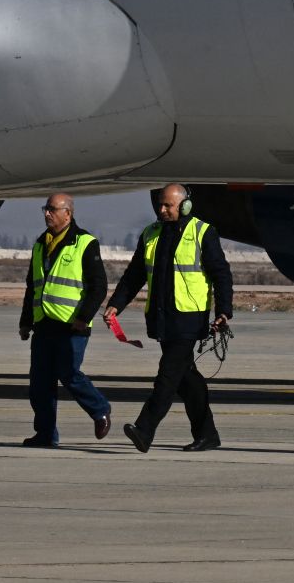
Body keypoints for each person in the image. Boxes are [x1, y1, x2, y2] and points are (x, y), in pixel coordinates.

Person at [104, 184, 233, 452]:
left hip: (189, 318)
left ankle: (145, 429)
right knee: (187, 380)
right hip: (162, 319)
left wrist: (223, 310)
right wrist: (116, 305)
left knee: (167, 375)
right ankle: (207, 434)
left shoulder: (202, 232)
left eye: (168, 206)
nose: (162, 210)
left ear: (185, 205)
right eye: (160, 205)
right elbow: (134, 275)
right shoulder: (151, 234)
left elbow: (221, 274)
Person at [18, 192, 112, 447]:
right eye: (45, 209)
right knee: (40, 383)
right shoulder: (40, 244)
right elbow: (33, 286)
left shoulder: (84, 242)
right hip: (44, 323)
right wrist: (26, 321)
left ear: (68, 213)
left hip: (73, 325)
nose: (47, 214)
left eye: (52, 209)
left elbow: (99, 286)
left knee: (69, 373)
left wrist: (83, 317)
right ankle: (46, 434)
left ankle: (100, 410)